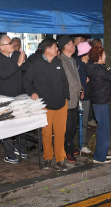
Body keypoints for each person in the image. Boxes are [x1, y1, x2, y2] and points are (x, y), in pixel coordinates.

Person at [22, 38, 69, 172]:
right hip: (45, 106)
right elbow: (26, 81)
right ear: (47, 49)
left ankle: (61, 159)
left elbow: (64, 81)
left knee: (60, 134)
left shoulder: (58, 62)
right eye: (55, 47)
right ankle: (48, 158)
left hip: (61, 104)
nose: (57, 49)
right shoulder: (36, 64)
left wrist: (66, 97)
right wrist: (32, 93)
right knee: (47, 134)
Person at [84, 45, 111, 164]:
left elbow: (108, 76)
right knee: (104, 130)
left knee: (103, 128)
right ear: (99, 56)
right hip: (101, 102)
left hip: (98, 101)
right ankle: (99, 157)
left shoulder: (94, 67)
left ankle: (101, 153)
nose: (106, 57)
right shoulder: (99, 69)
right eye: (104, 55)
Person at [0, 35, 27, 164]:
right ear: (1, 47)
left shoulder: (17, 53)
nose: (13, 44)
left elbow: (25, 70)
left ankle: (20, 148)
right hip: (5, 97)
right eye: (10, 43)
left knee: (22, 123)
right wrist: (18, 64)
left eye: (12, 42)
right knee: (7, 125)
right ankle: (9, 153)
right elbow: (3, 75)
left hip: (20, 95)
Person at [57, 36, 83, 163]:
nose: (74, 45)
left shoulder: (72, 59)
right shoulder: (60, 60)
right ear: (66, 46)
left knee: (73, 125)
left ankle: (69, 147)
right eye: (72, 44)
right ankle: (67, 150)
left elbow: (76, 77)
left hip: (75, 97)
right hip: (66, 98)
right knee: (67, 126)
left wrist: (81, 89)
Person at [75, 42, 92, 154]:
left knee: (84, 122)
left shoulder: (91, 63)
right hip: (75, 97)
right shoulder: (76, 63)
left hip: (86, 96)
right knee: (73, 123)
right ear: (85, 53)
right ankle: (73, 144)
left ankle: (83, 144)